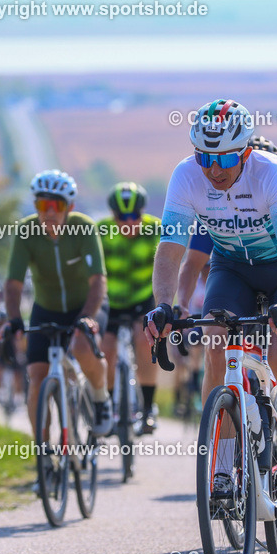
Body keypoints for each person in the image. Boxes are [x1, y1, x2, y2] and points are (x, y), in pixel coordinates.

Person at [145, 99, 277, 512]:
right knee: (216, 345)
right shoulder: (186, 177)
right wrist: (163, 306)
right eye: (205, 157)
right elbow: (172, 252)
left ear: (245, 151)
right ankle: (223, 469)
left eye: (225, 157)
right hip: (232, 266)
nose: (214, 168)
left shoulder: (271, 173)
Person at [3, 170, 113, 437]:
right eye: (43, 205)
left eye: (57, 206)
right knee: (37, 381)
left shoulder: (84, 228)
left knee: (82, 347)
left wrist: (87, 317)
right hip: (46, 310)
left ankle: (100, 399)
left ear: (70, 207)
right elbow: (13, 283)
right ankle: (44, 456)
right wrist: (14, 319)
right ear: (35, 206)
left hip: (85, 306)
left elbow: (98, 280)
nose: (49, 213)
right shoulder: (26, 231)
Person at [98, 182, 162, 433]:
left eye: (134, 216)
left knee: (145, 341)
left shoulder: (156, 228)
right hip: (110, 301)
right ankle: (111, 408)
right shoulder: (100, 231)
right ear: (112, 215)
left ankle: (148, 408)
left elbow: (168, 268)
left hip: (142, 298)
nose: (128, 222)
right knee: (105, 348)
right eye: (121, 217)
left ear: (142, 212)